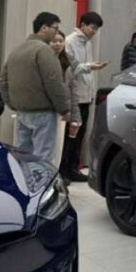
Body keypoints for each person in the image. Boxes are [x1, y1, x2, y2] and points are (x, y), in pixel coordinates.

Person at [0, 12, 71, 162]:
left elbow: (2, 80)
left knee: (23, 156)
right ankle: (40, 186)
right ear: (44, 28)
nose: (57, 32)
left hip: (22, 112)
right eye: (55, 28)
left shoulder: (16, 50)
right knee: (43, 159)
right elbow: (53, 81)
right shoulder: (44, 51)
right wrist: (64, 108)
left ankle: (24, 184)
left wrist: (12, 103)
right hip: (43, 112)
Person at [62, 12, 106, 183]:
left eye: (96, 29)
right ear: (83, 25)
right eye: (92, 28)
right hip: (74, 97)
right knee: (70, 135)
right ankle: (64, 169)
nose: (94, 32)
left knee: (80, 135)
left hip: (86, 95)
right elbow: (71, 68)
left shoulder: (87, 43)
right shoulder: (69, 41)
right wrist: (90, 66)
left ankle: (73, 167)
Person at [51, 30, 83, 172]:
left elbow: (73, 92)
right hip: (47, 110)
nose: (58, 44)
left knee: (59, 148)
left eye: (60, 41)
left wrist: (75, 117)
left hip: (63, 112)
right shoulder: (43, 60)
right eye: (54, 41)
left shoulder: (68, 62)